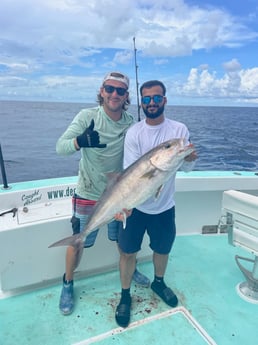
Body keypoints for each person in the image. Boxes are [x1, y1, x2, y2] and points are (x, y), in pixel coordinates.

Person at [56, 71, 150, 315]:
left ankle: (131, 268)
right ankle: (68, 282)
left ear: (126, 96)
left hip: (120, 194)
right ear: (101, 90)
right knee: (79, 241)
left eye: (120, 91)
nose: (114, 94)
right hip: (88, 192)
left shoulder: (131, 123)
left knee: (124, 241)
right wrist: (80, 141)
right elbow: (60, 148)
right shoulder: (87, 116)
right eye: (110, 88)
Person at [115, 80, 197, 327]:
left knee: (162, 250)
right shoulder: (135, 133)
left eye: (156, 98)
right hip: (136, 207)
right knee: (128, 252)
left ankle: (158, 283)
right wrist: (124, 204)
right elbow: (129, 175)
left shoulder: (179, 130)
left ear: (165, 100)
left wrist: (190, 158)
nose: (152, 103)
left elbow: (187, 167)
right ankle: (125, 295)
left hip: (164, 207)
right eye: (147, 99)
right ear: (142, 102)